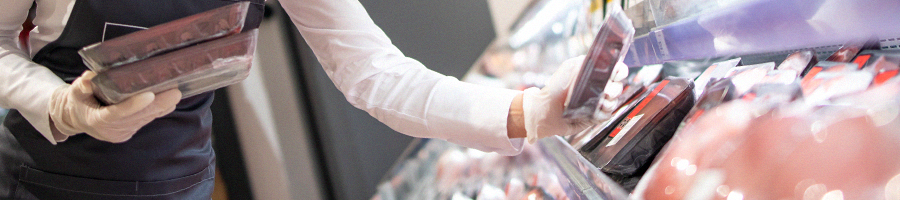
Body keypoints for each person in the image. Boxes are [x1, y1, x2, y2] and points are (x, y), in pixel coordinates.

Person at [0, 0, 615, 199]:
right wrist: (61, 107)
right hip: (47, 180)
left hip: (178, 178)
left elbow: (372, 72)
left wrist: (529, 113)